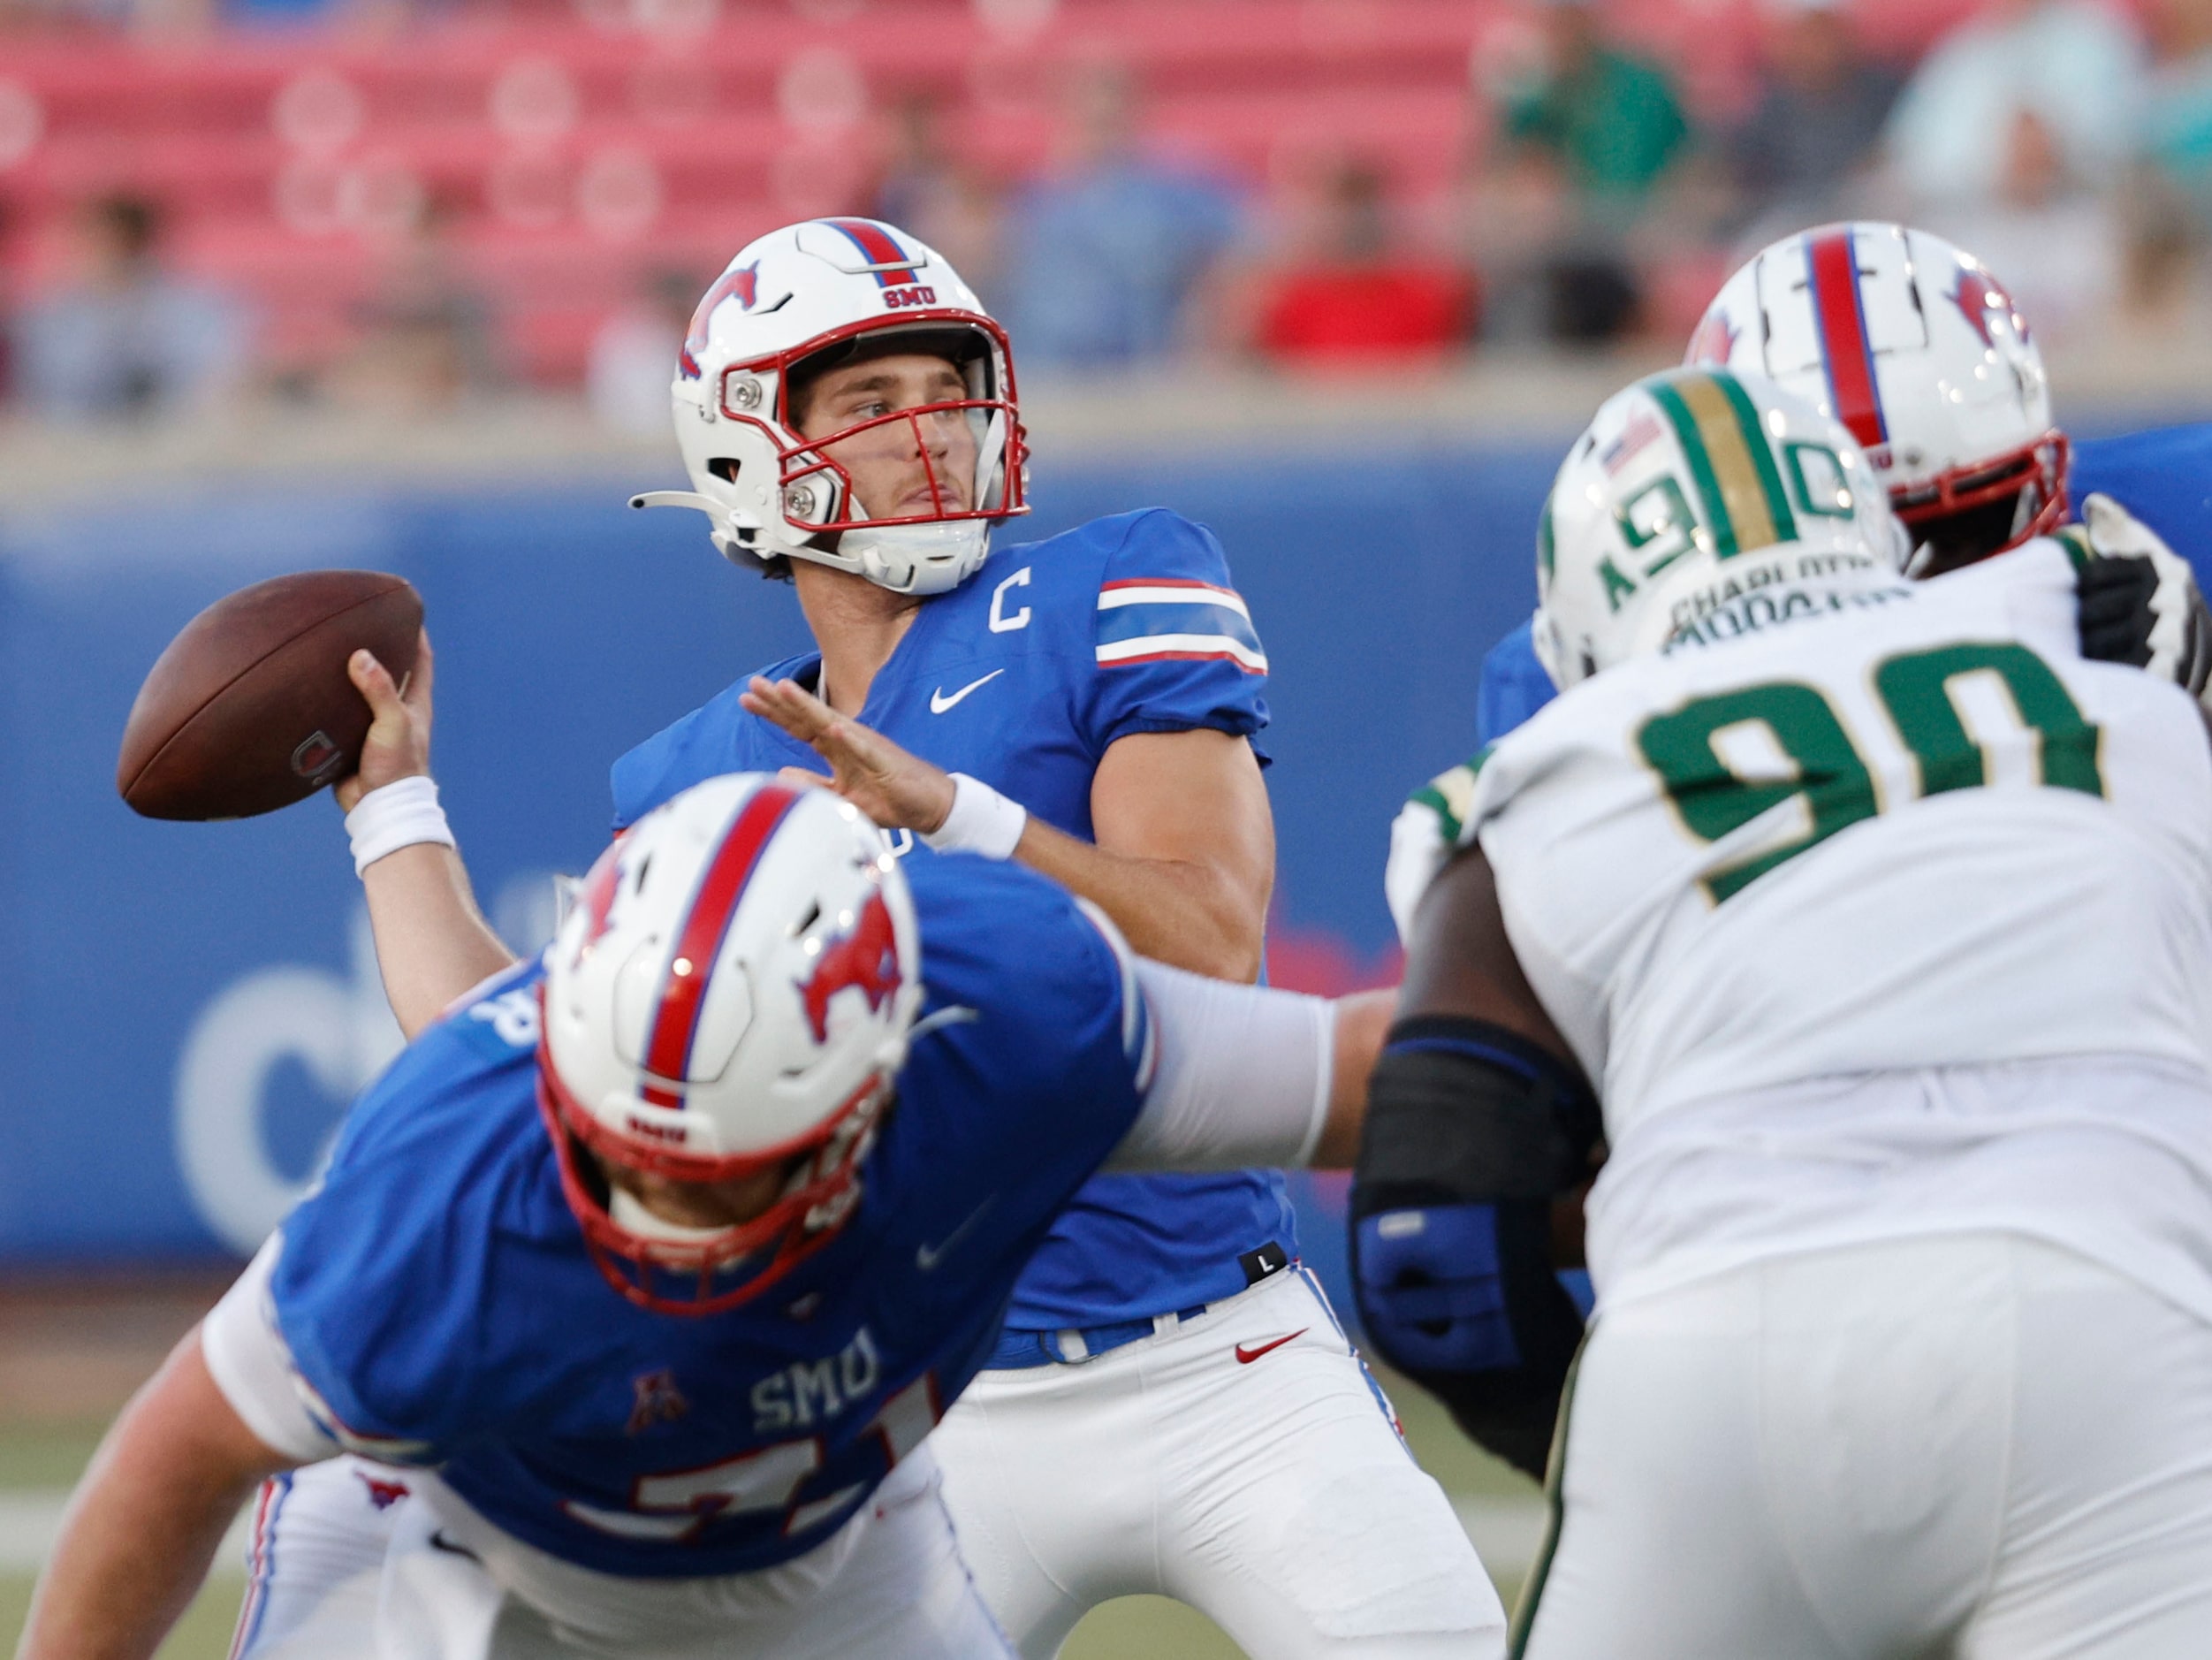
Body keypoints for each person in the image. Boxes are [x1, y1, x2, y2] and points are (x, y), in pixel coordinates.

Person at [273, 217, 1507, 1658]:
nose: (928, 427)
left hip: (1222, 1360)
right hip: (921, 1403)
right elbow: (540, 1061)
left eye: (946, 382)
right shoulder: (702, 772)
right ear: (746, 443)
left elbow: (1211, 944)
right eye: (868, 401)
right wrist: (391, 805)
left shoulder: (1104, 585)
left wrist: (958, 814)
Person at [20, 773, 1396, 1659]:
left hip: (833, 1560)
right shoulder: (443, 1182)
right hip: (471, 1543)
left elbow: (1354, 1079)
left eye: (726, 1173)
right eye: (629, 1156)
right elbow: (176, 1455)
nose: (668, 1215)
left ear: (879, 1084)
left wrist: (1581, 1083)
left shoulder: (1016, 1024)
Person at [1354, 365, 2212, 1656]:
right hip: (2108, 1322)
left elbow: (1435, 1236)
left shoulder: (1545, 785)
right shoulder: (2131, 709)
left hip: (1713, 1357)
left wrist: (1589, 1450)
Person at [1427, 218, 2212, 917]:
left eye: (1961, 529)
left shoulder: (2177, 517)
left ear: (2046, 474)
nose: (1900, 596)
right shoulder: (1575, 671)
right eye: (1846, 549)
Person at [9, 193, 250, 421]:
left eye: (103, 242)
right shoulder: (53, 317)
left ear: (134, 244)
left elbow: (210, 383)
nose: (88, 255)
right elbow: (48, 392)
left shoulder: (195, 307)